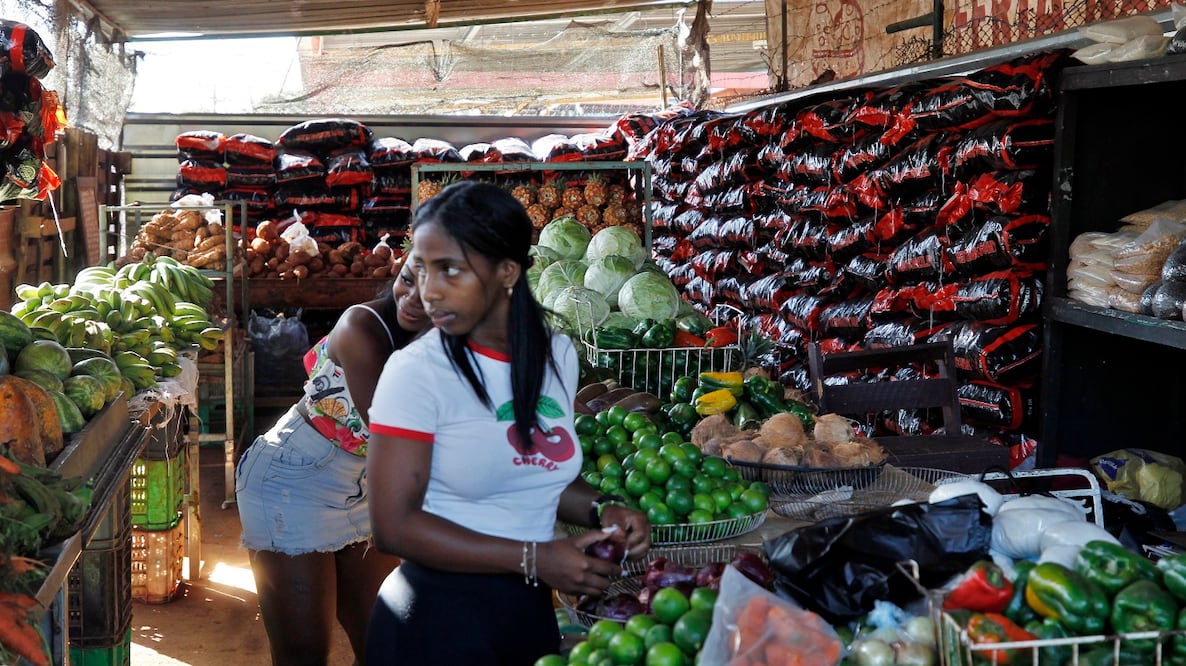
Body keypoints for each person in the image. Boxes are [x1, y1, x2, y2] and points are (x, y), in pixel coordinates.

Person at [365, 181, 652, 664]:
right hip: (435, 625)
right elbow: (393, 527)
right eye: (421, 269)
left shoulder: (556, 355)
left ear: (507, 272)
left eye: (450, 271)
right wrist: (534, 558)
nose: (428, 292)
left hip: (525, 615)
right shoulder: (416, 372)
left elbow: (534, 468)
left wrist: (603, 509)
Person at [235, 253, 430, 666]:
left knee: (384, 644)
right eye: (409, 277)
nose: (413, 296)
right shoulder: (362, 327)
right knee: (303, 655)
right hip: (293, 481)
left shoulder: (455, 336)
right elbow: (400, 441)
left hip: (360, 486)